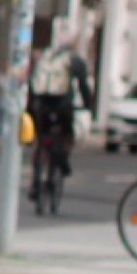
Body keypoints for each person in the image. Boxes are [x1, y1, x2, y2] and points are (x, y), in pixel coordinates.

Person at [27, 18, 97, 177]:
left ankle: (36, 173)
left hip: (41, 102)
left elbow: (32, 81)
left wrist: (30, 105)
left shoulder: (44, 57)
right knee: (66, 133)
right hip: (62, 105)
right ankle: (63, 161)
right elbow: (83, 86)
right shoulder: (74, 60)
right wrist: (88, 105)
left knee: (41, 135)